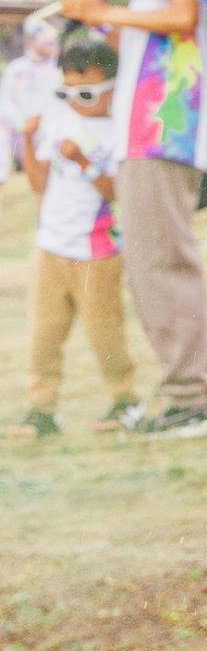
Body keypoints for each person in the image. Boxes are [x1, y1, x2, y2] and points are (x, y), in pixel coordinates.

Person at [57, 0, 207, 437]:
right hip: (151, 131)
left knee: (161, 264)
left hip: (162, 132)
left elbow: (183, 18)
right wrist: (95, 17)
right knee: (158, 262)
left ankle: (190, 399)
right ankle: (190, 393)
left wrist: (102, 11)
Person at [6, 40, 136, 438]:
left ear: (113, 87)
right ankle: (41, 409)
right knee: (44, 334)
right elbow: (38, 182)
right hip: (50, 245)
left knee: (104, 331)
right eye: (66, 92)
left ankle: (126, 400)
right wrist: (28, 140)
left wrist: (83, 160)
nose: (74, 101)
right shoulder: (59, 119)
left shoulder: (121, 130)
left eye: (86, 93)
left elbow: (116, 192)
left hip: (95, 249)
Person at [0, 20, 62, 179]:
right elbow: (5, 101)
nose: (50, 44)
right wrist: (22, 124)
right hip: (20, 131)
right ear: (30, 40)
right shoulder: (16, 68)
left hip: (48, 132)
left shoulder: (58, 70)